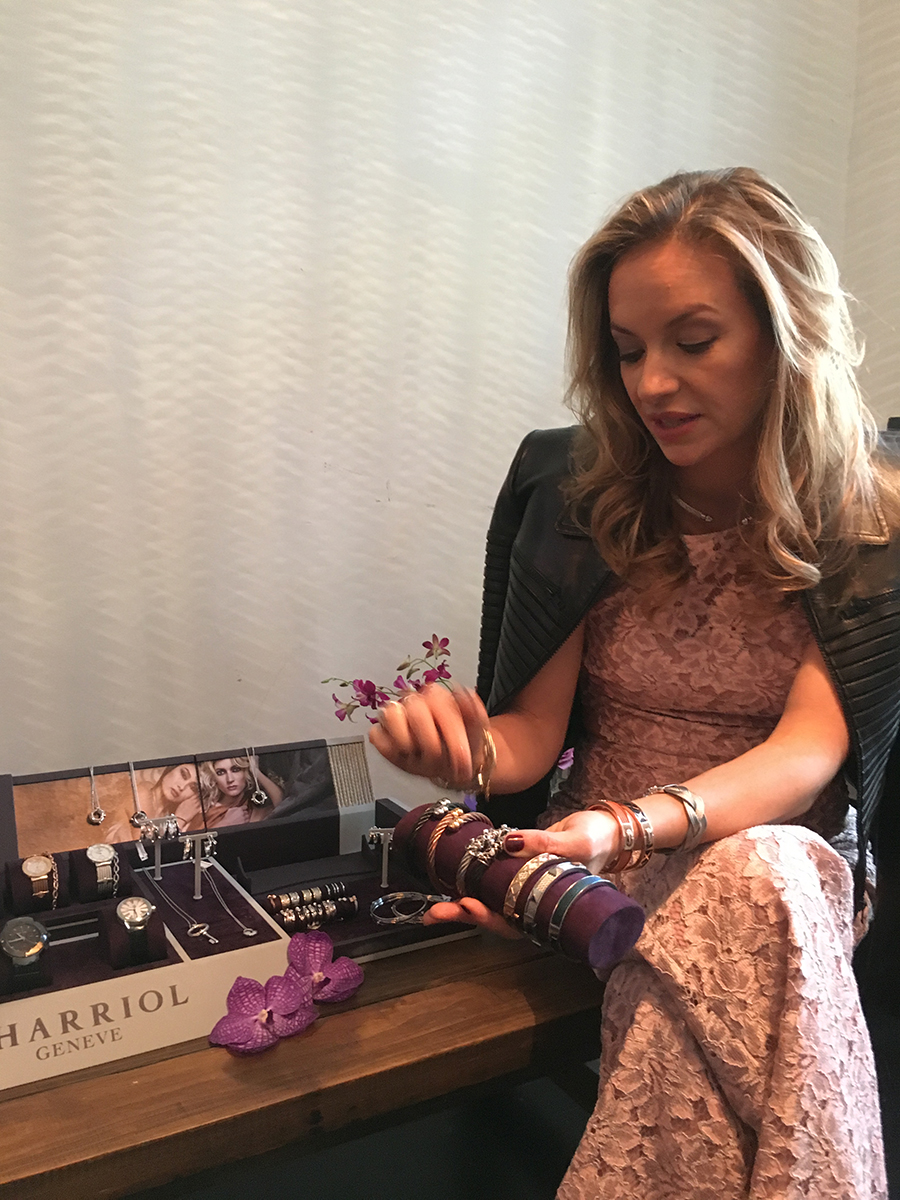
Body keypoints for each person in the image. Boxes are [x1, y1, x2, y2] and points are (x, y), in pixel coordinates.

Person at [370, 168, 897, 1198]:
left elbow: (807, 755)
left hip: (771, 864)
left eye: (693, 341)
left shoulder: (871, 522)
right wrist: (462, 748)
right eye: (627, 350)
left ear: (786, 334)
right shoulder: (587, 502)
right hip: (597, 867)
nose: (651, 383)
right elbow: (530, 736)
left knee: (758, 873)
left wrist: (632, 826)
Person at [183, 755, 285, 829]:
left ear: (246, 772)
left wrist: (256, 772)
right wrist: (227, 823)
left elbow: (282, 804)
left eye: (236, 770)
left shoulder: (251, 809)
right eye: (221, 772)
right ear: (213, 777)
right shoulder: (202, 806)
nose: (230, 779)